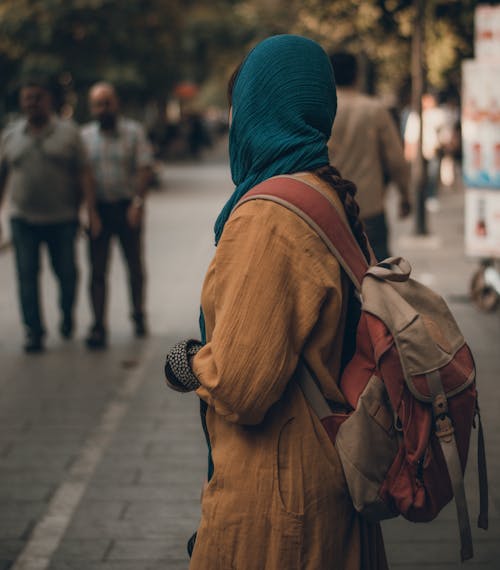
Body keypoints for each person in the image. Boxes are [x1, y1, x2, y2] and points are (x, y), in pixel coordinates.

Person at [163, 35, 388, 569]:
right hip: (327, 478)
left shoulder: (268, 217)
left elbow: (242, 384)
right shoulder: (328, 194)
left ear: (258, 111)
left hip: (279, 497)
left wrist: (188, 363)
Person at [0, 76, 99, 353]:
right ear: (21, 102)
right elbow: (2, 176)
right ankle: (34, 331)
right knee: (26, 275)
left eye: (38, 97)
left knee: (67, 274)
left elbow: (85, 174)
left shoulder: (69, 133)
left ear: (49, 101)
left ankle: (67, 314)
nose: (32, 103)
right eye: (27, 98)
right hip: (23, 219)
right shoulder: (10, 135)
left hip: (63, 219)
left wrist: (90, 210)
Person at [81, 82, 153, 349]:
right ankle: (98, 325)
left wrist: (137, 203)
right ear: (92, 108)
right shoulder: (85, 136)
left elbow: (144, 168)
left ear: (116, 103)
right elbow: (83, 175)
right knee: (97, 270)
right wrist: (89, 212)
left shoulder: (133, 132)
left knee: (134, 266)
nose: (104, 108)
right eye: (98, 104)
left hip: (127, 206)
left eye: (107, 102)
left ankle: (138, 314)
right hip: (99, 209)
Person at [328, 52, 411, 261]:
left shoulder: (322, 108)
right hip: (368, 208)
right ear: (357, 75)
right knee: (380, 273)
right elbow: (395, 159)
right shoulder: (374, 109)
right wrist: (405, 195)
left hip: (329, 208)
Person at [404, 92, 447, 212]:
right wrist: (408, 150)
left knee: (432, 174)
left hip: (433, 149)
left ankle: (431, 197)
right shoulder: (415, 115)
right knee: (419, 176)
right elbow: (410, 135)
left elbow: (444, 132)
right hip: (419, 151)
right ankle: (420, 197)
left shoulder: (438, 114)